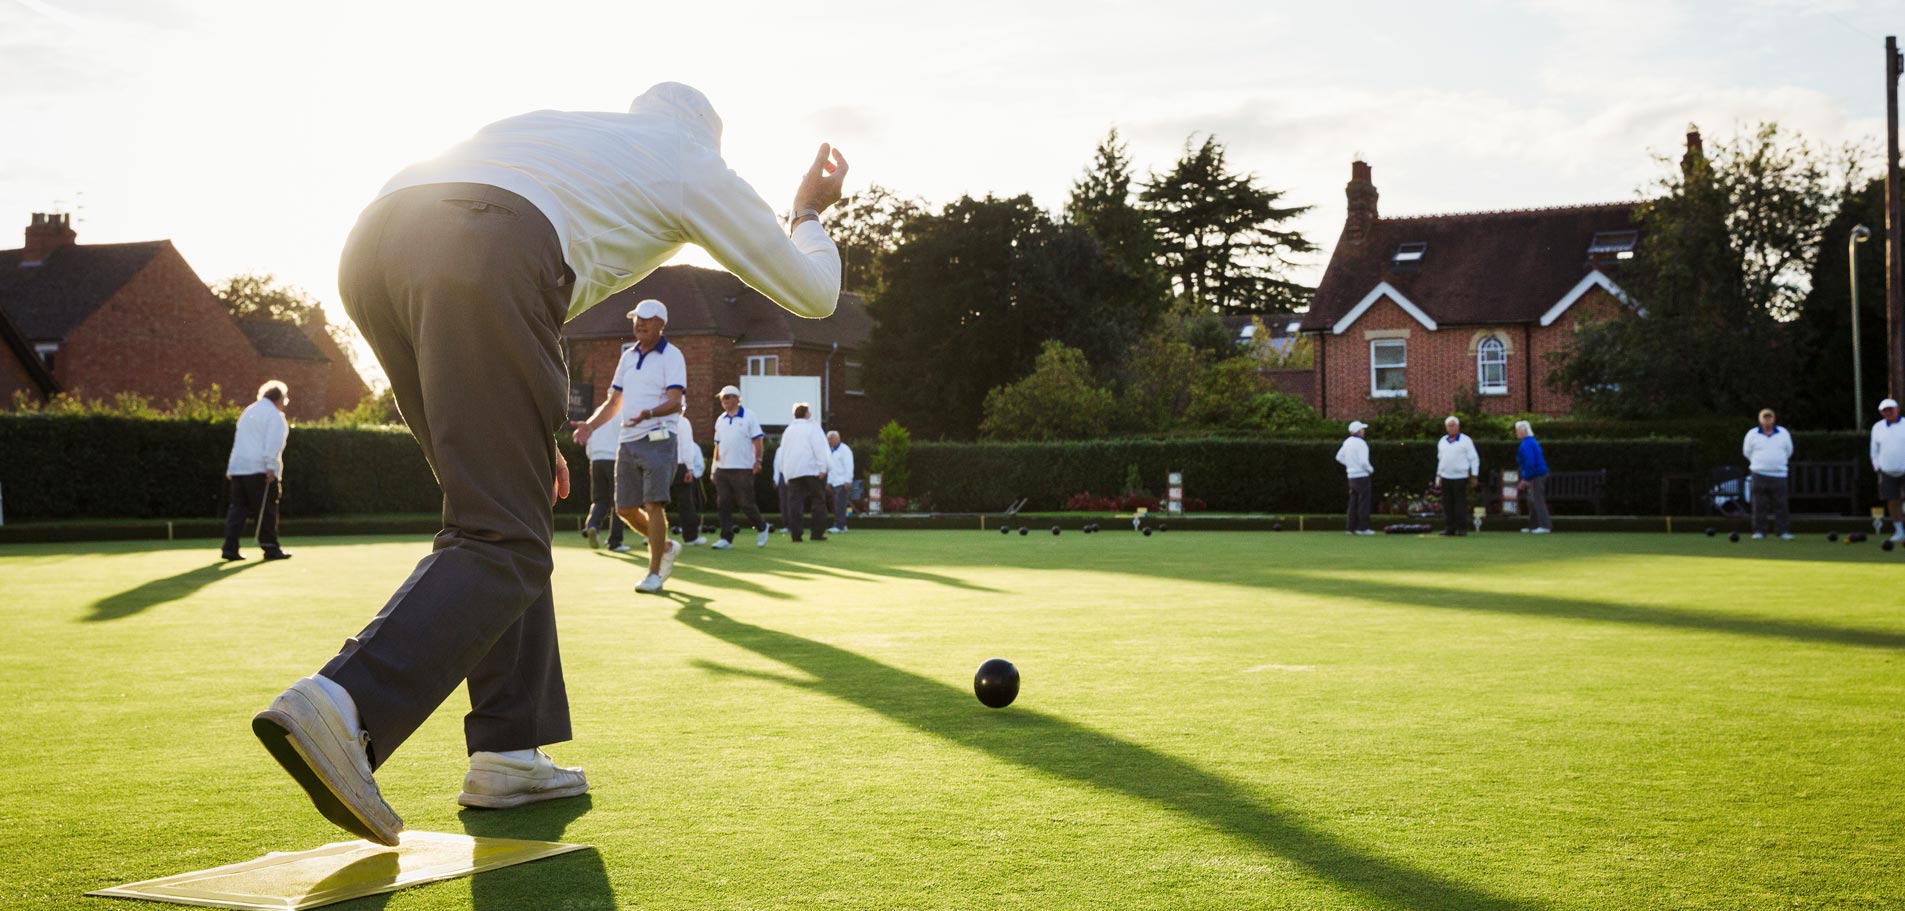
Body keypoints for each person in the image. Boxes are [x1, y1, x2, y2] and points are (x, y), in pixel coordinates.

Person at [253, 82, 848, 846]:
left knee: (500, 519)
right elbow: (813, 293)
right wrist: (808, 212)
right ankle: (343, 703)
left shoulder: (560, 130)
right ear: (712, 137)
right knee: (503, 537)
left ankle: (508, 749)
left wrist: (531, 442)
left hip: (375, 248)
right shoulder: (693, 161)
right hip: (488, 251)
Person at [572, 300, 687, 593]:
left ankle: (654, 573)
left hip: (659, 437)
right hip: (628, 440)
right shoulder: (627, 357)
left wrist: (649, 413)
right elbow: (614, 402)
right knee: (624, 508)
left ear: (661, 323)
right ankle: (668, 546)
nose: (639, 324)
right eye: (636, 319)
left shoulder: (672, 356)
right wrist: (591, 425)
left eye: (646, 319)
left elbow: (675, 401)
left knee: (653, 504)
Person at [223, 381, 293, 562]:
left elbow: (238, 441)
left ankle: (229, 548)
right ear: (279, 399)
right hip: (260, 469)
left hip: (240, 468)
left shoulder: (248, 411)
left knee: (237, 508)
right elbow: (273, 443)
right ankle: (270, 547)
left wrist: (232, 467)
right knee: (267, 508)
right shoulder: (275, 416)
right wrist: (271, 466)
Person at [710, 385, 771, 550]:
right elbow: (718, 446)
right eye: (723, 398)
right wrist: (714, 468)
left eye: (728, 397)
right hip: (723, 468)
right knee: (723, 503)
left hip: (743, 467)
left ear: (737, 399)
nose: (725, 401)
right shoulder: (720, 420)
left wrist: (758, 460)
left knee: (746, 503)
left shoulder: (749, 416)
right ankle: (726, 538)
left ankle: (761, 526)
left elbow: (757, 440)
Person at [780, 403, 832, 542]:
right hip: (811, 470)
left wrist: (785, 472)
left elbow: (783, 452)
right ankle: (817, 534)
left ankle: (796, 535)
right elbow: (819, 448)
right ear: (807, 414)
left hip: (793, 471)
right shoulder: (813, 428)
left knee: (795, 503)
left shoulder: (788, 430)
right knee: (818, 501)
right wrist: (823, 468)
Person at [581, 405, 628, 554]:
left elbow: (589, 437)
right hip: (614, 459)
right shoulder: (623, 412)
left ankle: (592, 525)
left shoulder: (597, 412)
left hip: (596, 460)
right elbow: (626, 437)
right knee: (619, 502)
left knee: (599, 500)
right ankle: (615, 542)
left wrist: (592, 457)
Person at [1742, 408, 1794, 541]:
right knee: (1759, 504)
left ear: (1773, 419)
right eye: (1764, 418)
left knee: (1781, 504)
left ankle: (1782, 531)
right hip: (1759, 473)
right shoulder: (1752, 434)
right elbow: (1747, 452)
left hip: (1779, 474)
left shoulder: (1783, 433)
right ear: (1760, 420)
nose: (1767, 420)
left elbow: (1789, 451)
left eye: (1769, 417)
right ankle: (1759, 531)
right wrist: (1760, 464)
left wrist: (1777, 464)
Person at [1434, 416, 1480, 537]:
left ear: (1458, 427)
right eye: (1449, 426)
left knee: (1460, 503)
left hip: (1460, 476)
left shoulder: (1466, 440)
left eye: (1453, 425)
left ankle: (1462, 528)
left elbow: (1474, 459)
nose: (1451, 428)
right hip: (1445, 476)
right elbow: (1440, 460)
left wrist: (1474, 475)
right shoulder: (1442, 441)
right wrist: (1438, 477)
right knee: (1447, 504)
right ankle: (1449, 528)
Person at [1873, 398, 1905, 544]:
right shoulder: (1877, 427)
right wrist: (1877, 467)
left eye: (1890, 409)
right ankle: (1899, 531)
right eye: (1885, 410)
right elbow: (1874, 451)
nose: (1888, 412)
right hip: (1886, 471)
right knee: (1892, 501)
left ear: (1897, 409)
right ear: (1881, 412)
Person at [1334, 420, 1374, 536]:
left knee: (1353, 502)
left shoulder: (1347, 442)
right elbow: (1363, 462)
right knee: (1363, 502)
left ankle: (1350, 528)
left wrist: (1350, 465)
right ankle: (1363, 528)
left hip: (1351, 476)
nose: (1364, 431)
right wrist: (1370, 470)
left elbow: (1339, 457)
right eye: (1362, 429)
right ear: (1358, 431)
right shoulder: (1361, 443)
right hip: (1362, 475)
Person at [672, 412, 707, 547]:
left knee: (656, 502)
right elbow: (687, 446)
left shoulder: (657, 420)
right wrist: (690, 468)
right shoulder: (683, 422)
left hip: (660, 464)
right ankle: (691, 537)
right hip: (680, 465)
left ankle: (650, 535)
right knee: (686, 503)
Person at [1514, 420, 1552, 534]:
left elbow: (1530, 462)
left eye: (1518, 430)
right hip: (1535, 474)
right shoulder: (1528, 442)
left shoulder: (1528, 443)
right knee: (1531, 500)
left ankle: (1544, 526)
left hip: (1537, 475)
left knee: (1537, 499)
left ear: (1524, 431)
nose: (1516, 432)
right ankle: (1534, 525)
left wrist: (1525, 479)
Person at [826, 430, 854, 534]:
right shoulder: (830, 450)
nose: (829, 442)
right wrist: (829, 482)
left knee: (840, 505)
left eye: (831, 439)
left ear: (837, 438)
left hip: (842, 482)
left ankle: (839, 526)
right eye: (828, 440)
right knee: (836, 505)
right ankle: (842, 525)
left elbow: (849, 466)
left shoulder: (845, 450)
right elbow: (830, 468)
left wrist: (848, 480)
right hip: (834, 482)